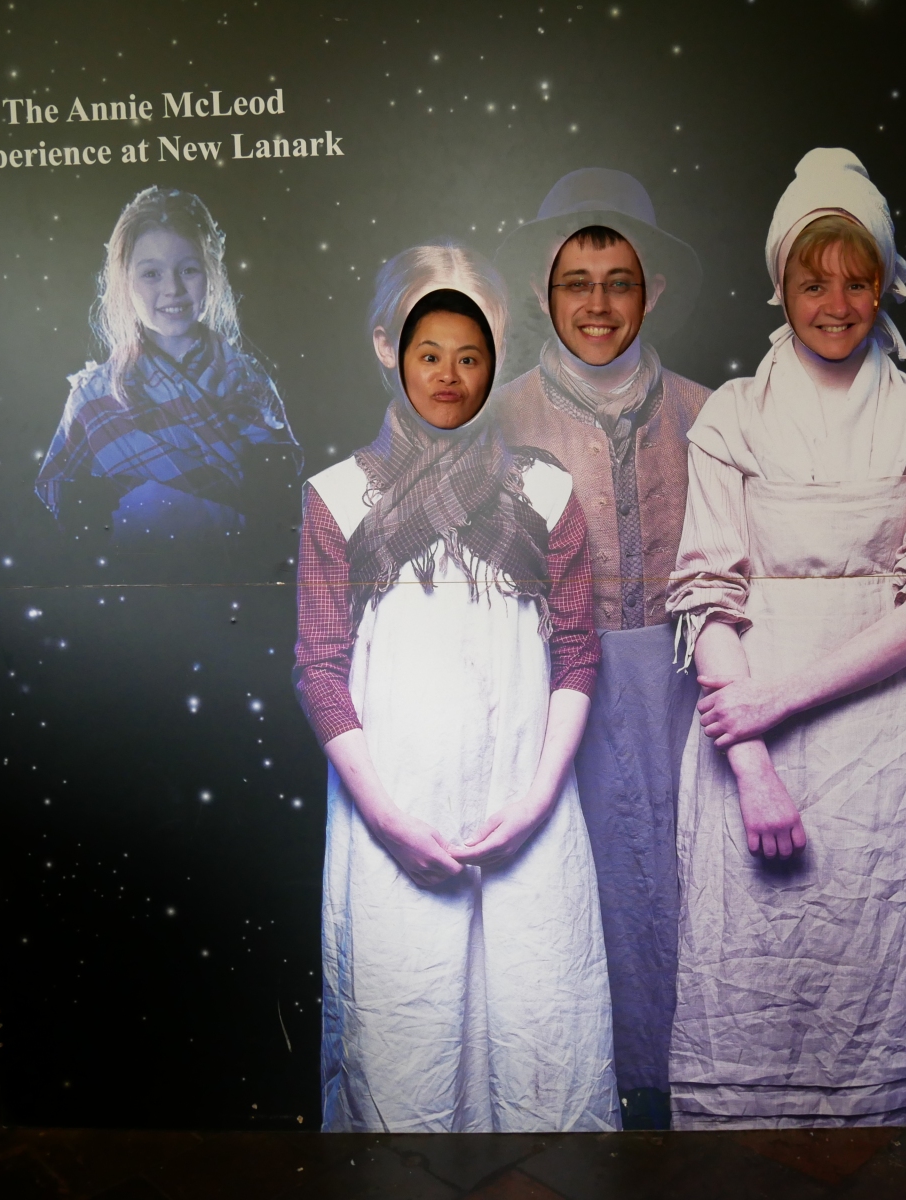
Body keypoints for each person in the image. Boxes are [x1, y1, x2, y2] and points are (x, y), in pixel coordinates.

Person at [666, 148, 906, 1128]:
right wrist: (752, 760)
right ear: (781, 285)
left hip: (881, 748)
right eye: (812, 282)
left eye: (856, 280)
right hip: (744, 742)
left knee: (869, 955)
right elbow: (705, 599)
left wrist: (778, 698)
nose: (835, 305)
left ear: (884, 283)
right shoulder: (730, 418)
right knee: (746, 963)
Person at [292, 243, 619, 1133]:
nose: (448, 374)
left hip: (526, 808)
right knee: (406, 1051)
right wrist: (388, 820)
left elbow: (578, 653)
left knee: (544, 1036)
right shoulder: (334, 499)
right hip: (395, 813)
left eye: (470, 355)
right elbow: (319, 668)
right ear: (389, 349)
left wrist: (537, 799)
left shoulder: (546, 493)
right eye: (427, 352)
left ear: (496, 359)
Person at [494, 169, 710, 1129]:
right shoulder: (497, 418)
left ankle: (696, 1092)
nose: (597, 304)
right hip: (559, 691)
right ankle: (588, 1104)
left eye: (618, 282)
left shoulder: (710, 414)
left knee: (691, 885)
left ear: (651, 290)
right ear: (544, 291)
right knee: (581, 896)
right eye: (574, 283)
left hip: (687, 687)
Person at [35, 187, 302, 569]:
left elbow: (279, 514)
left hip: (235, 583)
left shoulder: (250, 383)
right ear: (125, 282)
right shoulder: (93, 397)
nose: (172, 289)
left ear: (211, 274)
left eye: (188, 269)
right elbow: (77, 529)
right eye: (151, 274)